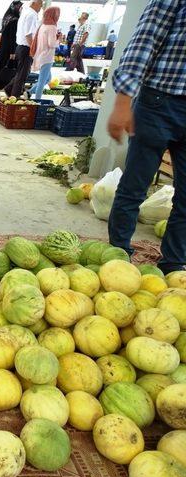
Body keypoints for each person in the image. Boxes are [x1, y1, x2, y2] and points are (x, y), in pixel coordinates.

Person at [107, 0, 185, 275]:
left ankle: (174, 265)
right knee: (134, 187)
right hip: (159, 101)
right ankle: (119, 257)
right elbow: (146, 39)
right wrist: (122, 101)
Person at [4, 0, 42, 98]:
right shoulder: (31, 15)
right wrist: (33, 49)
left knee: (22, 72)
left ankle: (9, 89)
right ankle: (15, 96)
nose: (41, 7)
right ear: (34, 3)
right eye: (40, 4)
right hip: (26, 48)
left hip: (21, 47)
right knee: (22, 75)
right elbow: (28, 34)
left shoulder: (26, 13)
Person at [0, 1, 23, 95]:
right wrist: (12, 52)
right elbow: (12, 37)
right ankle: (6, 88)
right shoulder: (15, 20)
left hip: (3, 47)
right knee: (6, 69)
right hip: (8, 49)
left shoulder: (7, 18)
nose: (21, 10)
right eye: (20, 8)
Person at [27, 6, 60, 100]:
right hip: (47, 57)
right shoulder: (52, 27)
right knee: (42, 81)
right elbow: (52, 43)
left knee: (48, 79)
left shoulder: (43, 25)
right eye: (57, 14)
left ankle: (29, 92)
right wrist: (59, 40)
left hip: (40, 55)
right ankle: (37, 101)